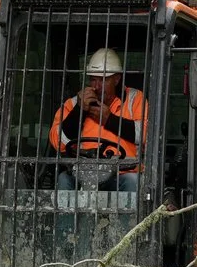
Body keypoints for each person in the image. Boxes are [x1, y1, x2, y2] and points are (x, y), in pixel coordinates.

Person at [50, 46, 148, 188]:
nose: (96, 86)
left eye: (103, 80)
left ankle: (131, 212)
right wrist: (79, 111)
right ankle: (67, 212)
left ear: (116, 79)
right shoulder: (73, 104)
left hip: (123, 173)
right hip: (82, 174)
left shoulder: (135, 99)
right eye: (93, 80)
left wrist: (110, 120)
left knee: (133, 180)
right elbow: (57, 142)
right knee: (64, 179)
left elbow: (147, 134)